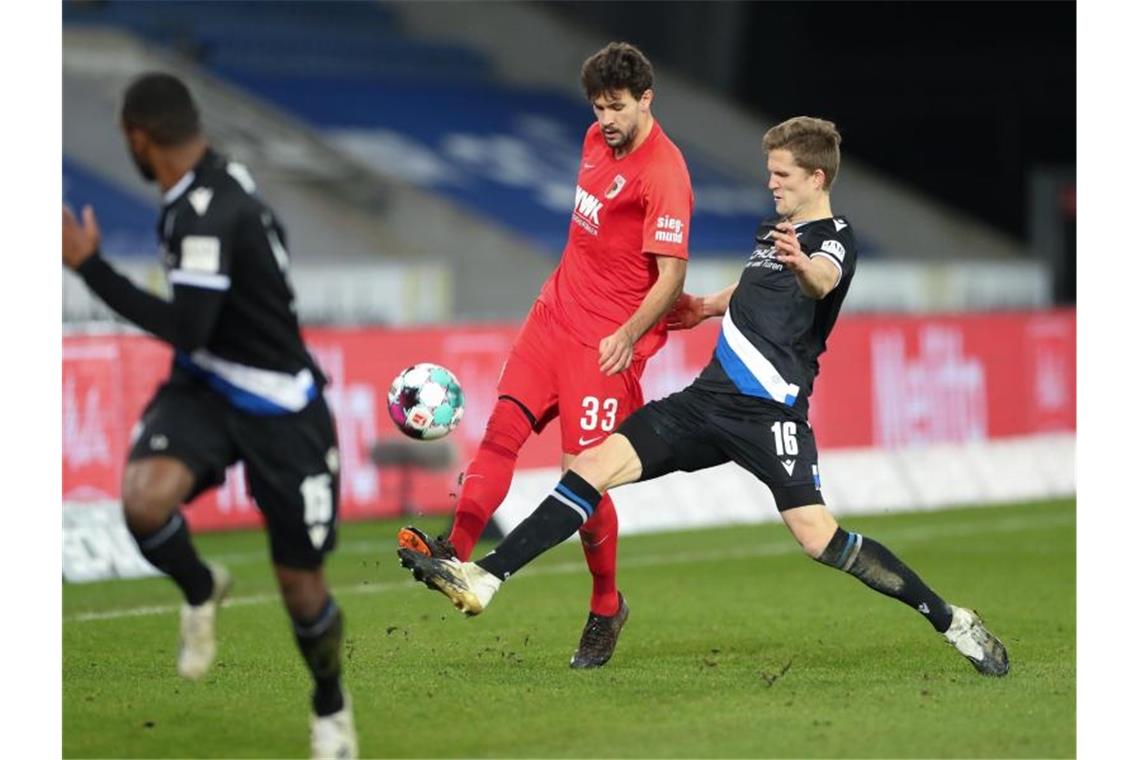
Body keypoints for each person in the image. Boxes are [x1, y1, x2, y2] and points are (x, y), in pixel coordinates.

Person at [397, 116, 1010, 678]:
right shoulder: (776, 232)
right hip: (705, 402)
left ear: (817, 178)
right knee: (590, 467)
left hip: (770, 416)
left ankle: (952, 620)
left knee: (819, 538)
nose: (770, 183)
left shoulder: (833, 239)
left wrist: (801, 262)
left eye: (782, 174)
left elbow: (821, 279)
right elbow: (758, 284)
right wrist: (707, 307)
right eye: (769, 171)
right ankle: (485, 577)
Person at [61, 73, 358, 758]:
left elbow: (188, 327)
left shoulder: (205, 211)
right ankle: (202, 587)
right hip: (208, 389)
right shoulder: (208, 186)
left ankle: (330, 708)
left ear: (139, 138)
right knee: (142, 502)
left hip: (282, 407)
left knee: (300, 589)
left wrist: (90, 267)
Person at [396, 41, 692, 669]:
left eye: (616, 107)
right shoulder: (593, 141)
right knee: (502, 432)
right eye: (597, 106)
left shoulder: (664, 174)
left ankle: (607, 604)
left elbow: (669, 276)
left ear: (646, 99)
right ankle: (456, 552)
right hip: (552, 319)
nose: (605, 118)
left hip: (606, 346)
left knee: (580, 478)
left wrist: (630, 334)